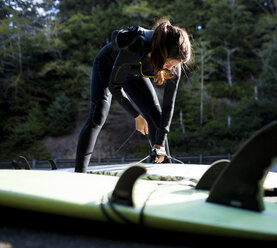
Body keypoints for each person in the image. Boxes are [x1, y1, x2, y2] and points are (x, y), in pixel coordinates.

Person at [75, 19, 192, 173]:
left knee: (156, 118)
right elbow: (114, 86)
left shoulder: (174, 65)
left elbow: (168, 106)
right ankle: (80, 172)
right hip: (108, 66)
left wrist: (160, 144)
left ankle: (165, 172)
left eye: (175, 65)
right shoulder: (137, 45)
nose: (171, 68)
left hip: (134, 74)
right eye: (169, 63)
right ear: (161, 51)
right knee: (98, 115)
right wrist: (136, 116)